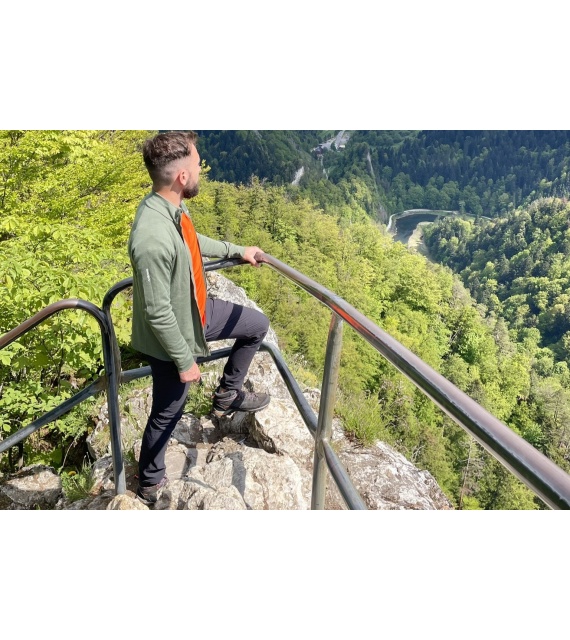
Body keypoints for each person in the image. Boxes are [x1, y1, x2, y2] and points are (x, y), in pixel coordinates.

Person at [128, 130, 271, 506]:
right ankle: (150, 482)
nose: (200, 168)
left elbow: (194, 241)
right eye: (196, 163)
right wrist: (184, 360)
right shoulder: (151, 235)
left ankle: (228, 394)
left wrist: (238, 250)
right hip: (172, 333)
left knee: (256, 325)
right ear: (182, 176)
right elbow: (157, 312)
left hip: (197, 312)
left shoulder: (171, 207)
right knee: (168, 411)